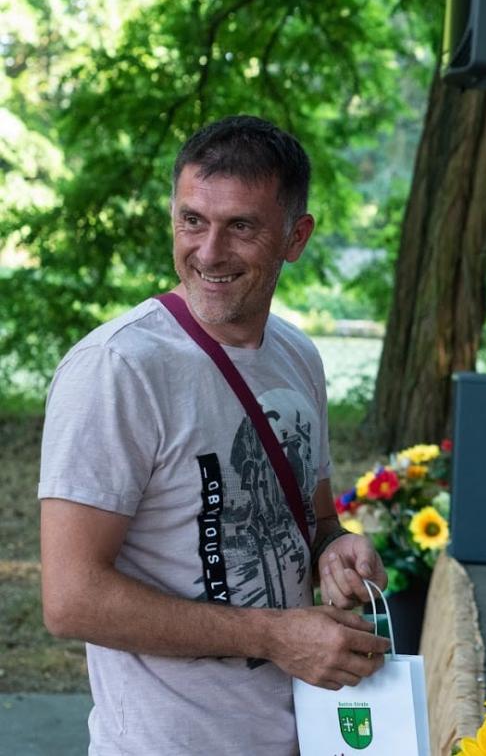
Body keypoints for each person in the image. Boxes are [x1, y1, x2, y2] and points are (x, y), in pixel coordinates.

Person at [39, 115, 391, 753]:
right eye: (192, 220)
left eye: (242, 227)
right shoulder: (118, 368)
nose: (208, 252)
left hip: (301, 734)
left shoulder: (297, 356)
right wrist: (274, 636)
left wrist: (338, 551)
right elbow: (71, 599)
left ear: (296, 236)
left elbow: (315, 523)